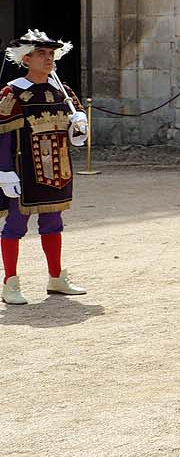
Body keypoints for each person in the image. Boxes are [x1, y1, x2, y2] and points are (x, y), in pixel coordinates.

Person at [0, 30, 88, 305]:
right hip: (23, 169)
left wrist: (79, 129)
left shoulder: (62, 91)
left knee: (53, 223)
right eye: (41, 54)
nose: (48, 58)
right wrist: (4, 171)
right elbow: (2, 135)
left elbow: (72, 134)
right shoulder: (12, 92)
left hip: (56, 168)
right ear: (26, 59)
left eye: (51, 54)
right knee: (15, 225)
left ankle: (55, 277)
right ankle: (10, 282)